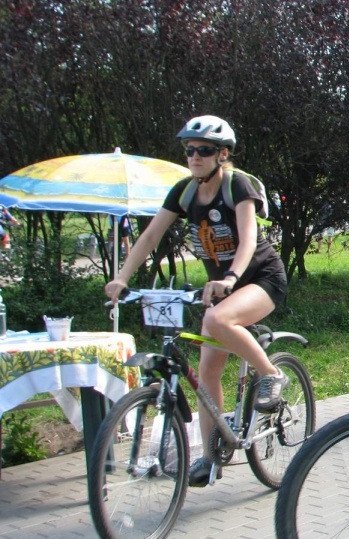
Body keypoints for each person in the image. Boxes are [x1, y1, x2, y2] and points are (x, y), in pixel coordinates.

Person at [104, 115, 289, 487]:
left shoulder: (238, 185)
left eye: (203, 150)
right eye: (189, 150)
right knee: (207, 374)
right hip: (219, 288)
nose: (194, 156)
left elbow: (248, 238)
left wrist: (232, 277)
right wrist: (123, 277)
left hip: (260, 278)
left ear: (222, 154)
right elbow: (151, 235)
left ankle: (271, 373)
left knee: (220, 321)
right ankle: (210, 456)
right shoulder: (184, 191)